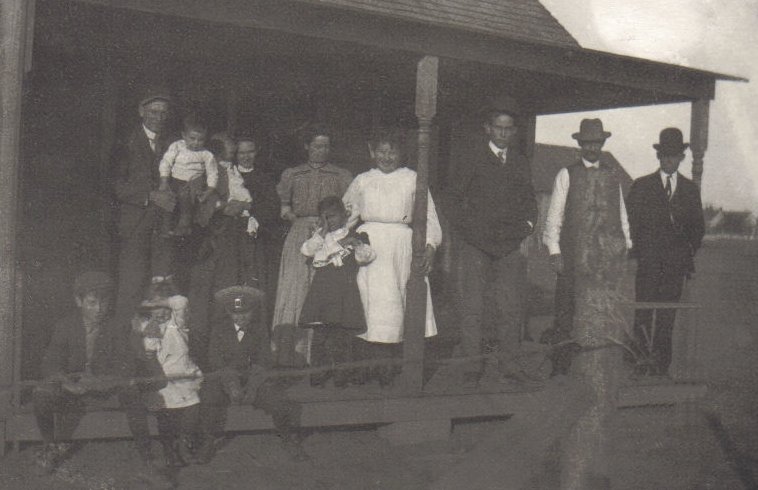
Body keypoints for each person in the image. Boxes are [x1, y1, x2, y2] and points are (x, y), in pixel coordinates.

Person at [445, 106, 538, 385]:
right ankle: (472, 366)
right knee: (472, 305)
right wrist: (470, 232)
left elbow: (530, 202)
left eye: (508, 128)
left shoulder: (520, 162)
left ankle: (510, 364)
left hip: (510, 246)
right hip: (476, 244)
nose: (503, 133)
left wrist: (527, 228)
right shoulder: (472, 158)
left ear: (514, 131)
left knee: (510, 307)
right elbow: (452, 200)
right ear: (488, 128)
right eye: (498, 127)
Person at [342, 129, 442, 387]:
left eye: (392, 151)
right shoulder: (362, 180)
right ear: (373, 152)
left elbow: (428, 217)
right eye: (382, 151)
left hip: (400, 246)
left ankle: (391, 367)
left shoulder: (413, 178)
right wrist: (337, 237)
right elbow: (347, 216)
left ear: (401, 153)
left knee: (395, 305)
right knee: (369, 304)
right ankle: (366, 367)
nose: (387, 157)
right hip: (370, 245)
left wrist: (430, 246)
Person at [541, 118, 633, 375]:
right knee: (565, 312)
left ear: (602, 144)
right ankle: (560, 367)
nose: (592, 148)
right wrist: (554, 251)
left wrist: (626, 244)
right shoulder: (566, 174)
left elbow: (621, 214)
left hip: (602, 258)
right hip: (571, 255)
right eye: (588, 143)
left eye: (597, 143)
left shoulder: (612, 175)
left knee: (597, 312)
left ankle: (592, 366)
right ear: (580, 144)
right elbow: (554, 217)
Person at [197, 286, 307, 464]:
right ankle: (207, 441)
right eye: (235, 313)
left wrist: (252, 386)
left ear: (253, 311)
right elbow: (214, 360)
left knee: (278, 401)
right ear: (228, 312)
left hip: (252, 378)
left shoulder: (259, 329)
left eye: (245, 313)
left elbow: (264, 360)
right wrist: (230, 380)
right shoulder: (219, 329)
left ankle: (288, 439)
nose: (240, 317)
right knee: (209, 398)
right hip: (225, 378)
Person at [627, 127, 705, 375]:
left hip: (675, 268)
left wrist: (685, 255)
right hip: (648, 265)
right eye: (665, 154)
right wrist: (637, 254)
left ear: (681, 157)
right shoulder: (641, 186)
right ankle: (639, 365)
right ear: (658, 156)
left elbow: (698, 229)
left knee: (667, 318)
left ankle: (661, 368)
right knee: (643, 315)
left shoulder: (691, 190)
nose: (669, 159)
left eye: (674, 155)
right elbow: (630, 225)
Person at [273, 126, 353, 367]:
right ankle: (291, 354)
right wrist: (296, 219)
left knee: (322, 289)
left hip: (330, 234)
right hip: (300, 234)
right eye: (317, 146)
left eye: (326, 146)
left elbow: (348, 208)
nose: (321, 151)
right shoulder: (293, 174)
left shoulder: (341, 176)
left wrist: (329, 224)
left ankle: (319, 356)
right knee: (296, 288)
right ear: (307, 147)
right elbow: (284, 208)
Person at [32, 271, 121, 474]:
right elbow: (50, 363)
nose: (99, 309)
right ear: (78, 301)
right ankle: (50, 445)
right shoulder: (65, 326)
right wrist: (66, 383)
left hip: (102, 388)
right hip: (73, 387)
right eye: (92, 303)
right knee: (40, 393)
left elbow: (123, 366)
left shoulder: (116, 327)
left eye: (104, 303)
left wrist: (101, 381)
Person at [299, 196, 376, 387]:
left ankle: (342, 375)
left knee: (341, 337)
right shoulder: (320, 239)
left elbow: (366, 257)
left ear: (344, 215)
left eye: (332, 217)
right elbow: (308, 252)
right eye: (323, 218)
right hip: (321, 294)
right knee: (320, 336)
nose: (328, 222)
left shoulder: (355, 235)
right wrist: (323, 233)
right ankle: (318, 373)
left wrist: (356, 244)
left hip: (343, 293)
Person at [113, 87, 175, 320]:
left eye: (163, 113)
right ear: (141, 112)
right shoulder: (126, 142)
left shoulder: (173, 144)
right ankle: (124, 349)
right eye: (153, 112)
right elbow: (116, 186)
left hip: (162, 228)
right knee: (131, 287)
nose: (158, 117)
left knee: (161, 289)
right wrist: (149, 195)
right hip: (135, 226)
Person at [131, 279, 202, 468]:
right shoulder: (147, 327)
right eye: (155, 306)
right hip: (162, 378)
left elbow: (181, 302)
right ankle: (168, 448)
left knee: (192, 408)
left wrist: (161, 302)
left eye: (164, 306)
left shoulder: (177, 323)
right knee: (165, 414)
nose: (161, 311)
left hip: (184, 375)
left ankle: (185, 443)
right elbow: (149, 355)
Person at [158, 114, 219, 236]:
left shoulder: (206, 154)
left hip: (193, 184)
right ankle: (165, 227)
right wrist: (164, 181)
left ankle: (184, 226)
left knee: (185, 200)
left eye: (200, 140)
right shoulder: (177, 146)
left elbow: (213, 173)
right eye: (192, 138)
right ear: (184, 136)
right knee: (167, 201)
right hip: (174, 180)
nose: (196, 143)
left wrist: (209, 190)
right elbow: (166, 162)